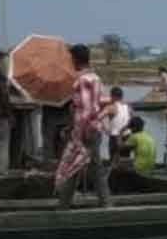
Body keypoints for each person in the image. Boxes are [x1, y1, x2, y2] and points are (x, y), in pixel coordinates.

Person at [54, 44, 111, 208]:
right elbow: (98, 103)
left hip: (87, 131)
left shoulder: (82, 80)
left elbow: (88, 109)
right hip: (91, 129)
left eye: (71, 59)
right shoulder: (95, 78)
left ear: (76, 60)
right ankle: (67, 204)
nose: (70, 62)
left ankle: (65, 205)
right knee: (84, 167)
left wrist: (82, 129)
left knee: (77, 166)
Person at [100, 86, 132, 161]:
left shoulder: (110, 107)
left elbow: (98, 118)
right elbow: (131, 120)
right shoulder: (128, 107)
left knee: (113, 160)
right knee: (125, 159)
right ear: (122, 96)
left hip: (115, 136)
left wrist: (105, 129)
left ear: (112, 96)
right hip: (127, 135)